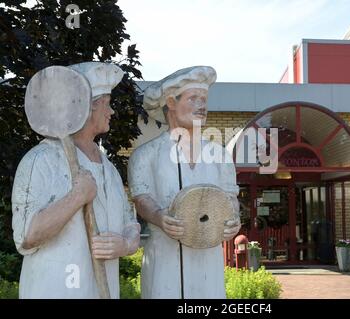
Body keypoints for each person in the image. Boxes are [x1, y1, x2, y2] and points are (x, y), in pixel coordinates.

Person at [11, 62, 140, 298]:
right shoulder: (41, 160)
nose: (111, 112)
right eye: (107, 104)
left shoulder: (109, 168)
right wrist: (77, 197)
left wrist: (127, 243)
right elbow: (27, 236)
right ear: (86, 108)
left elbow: (129, 221)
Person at [128, 66, 241, 299]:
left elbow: (230, 199)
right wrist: (159, 216)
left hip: (207, 264)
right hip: (164, 262)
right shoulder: (145, 155)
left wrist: (234, 221)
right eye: (193, 98)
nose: (202, 105)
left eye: (204, 99)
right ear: (171, 102)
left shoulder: (220, 155)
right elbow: (141, 198)